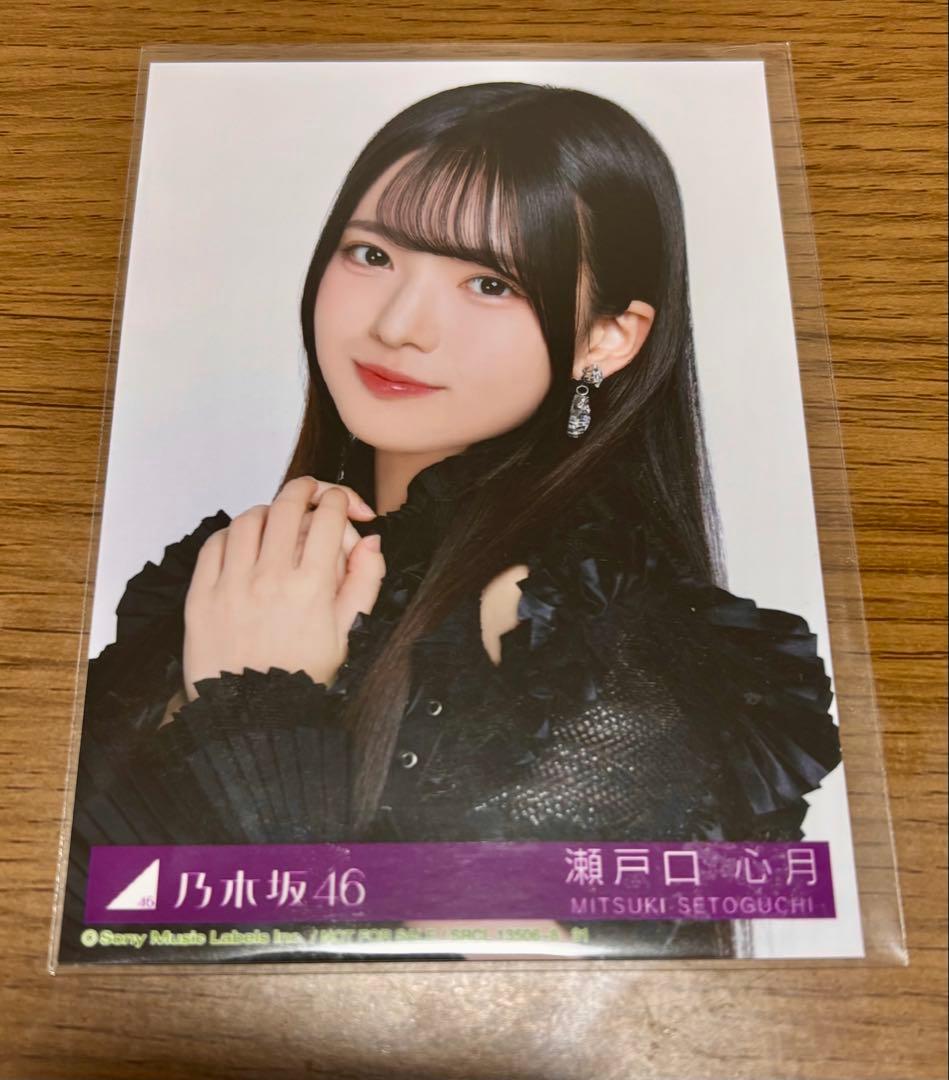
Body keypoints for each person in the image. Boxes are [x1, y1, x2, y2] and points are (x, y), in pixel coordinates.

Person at [59, 82, 842, 962]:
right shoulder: (256, 575)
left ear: (606, 339)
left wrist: (263, 704)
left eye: (488, 283)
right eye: (371, 255)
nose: (398, 325)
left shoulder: (579, 632)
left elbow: (494, 1011)